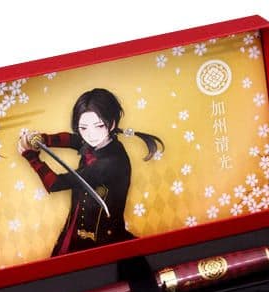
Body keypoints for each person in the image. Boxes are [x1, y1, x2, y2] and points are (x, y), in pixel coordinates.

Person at [18, 88, 164, 256]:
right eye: (83, 128)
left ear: (112, 124)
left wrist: (32, 158)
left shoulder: (109, 163)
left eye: (99, 126)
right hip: (76, 231)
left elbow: (56, 184)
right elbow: (74, 139)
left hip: (101, 240)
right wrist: (43, 139)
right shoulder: (102, 142)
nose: (91, 135)